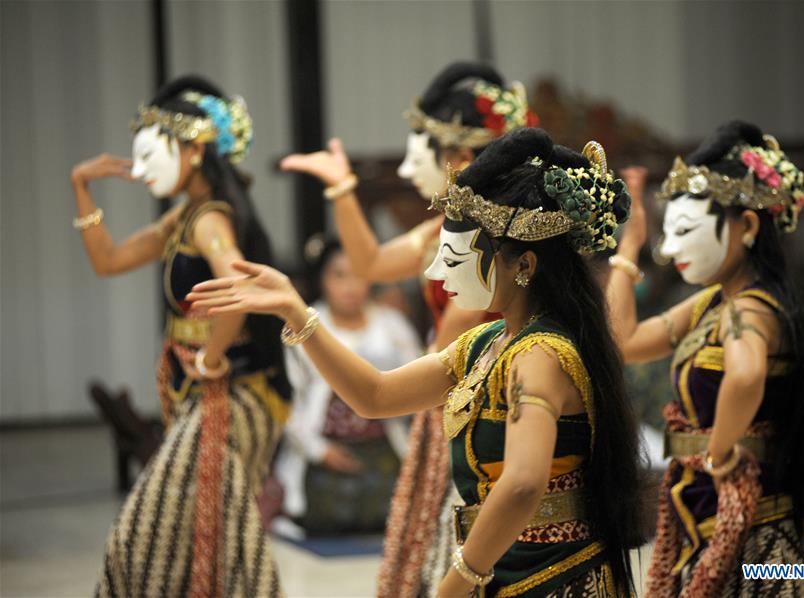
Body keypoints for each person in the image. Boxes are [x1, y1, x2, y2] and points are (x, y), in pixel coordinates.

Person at [187, 127, 644, 596]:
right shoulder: (485, 343)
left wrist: (459, 581)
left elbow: (524, 485)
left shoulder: (541, 356)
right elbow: (376, 395)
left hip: (554, 578)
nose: (433, 271)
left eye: (452, 257)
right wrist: (296, 311)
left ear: (523, 265)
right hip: (504, 566)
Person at [280, 62, 539, 596]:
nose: (405, 170)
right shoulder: (438, 230)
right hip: (449, 378)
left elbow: (456, 330)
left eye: (416, 157)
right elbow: (371, 263)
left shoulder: (489, 255)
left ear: (459, 159)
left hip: (472, 385)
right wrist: (342, 189)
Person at [71, 75, 289, 597]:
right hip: (203, 395)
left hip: (233, 395)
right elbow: (109, 260)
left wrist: (211, 358)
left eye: (151, 156)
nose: (141, 171)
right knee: (204, 532)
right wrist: (81, 188)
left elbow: (237, 292)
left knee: (148, 529)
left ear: (194, 151)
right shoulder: (186, 216)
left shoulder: (209, 221)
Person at [606, 120, 804, 596]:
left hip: (751, 524)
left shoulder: (749, 309)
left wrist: (719, 452)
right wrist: (629, 249)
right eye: (667, 233)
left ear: (747, 226)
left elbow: (746, 377)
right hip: (706, 514)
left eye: (684, 231)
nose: (668, 251)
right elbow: (623, 340)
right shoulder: (714, 301)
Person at [275, 239, 422, 536]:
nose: (350, 286)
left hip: (384, 450)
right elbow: (285, 399)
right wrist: (319, 451)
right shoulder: (303, 324)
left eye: (358, 275)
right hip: (322, 454)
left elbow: (420, 381)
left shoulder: (392, 325)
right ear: (323, 279)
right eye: (339, 275)